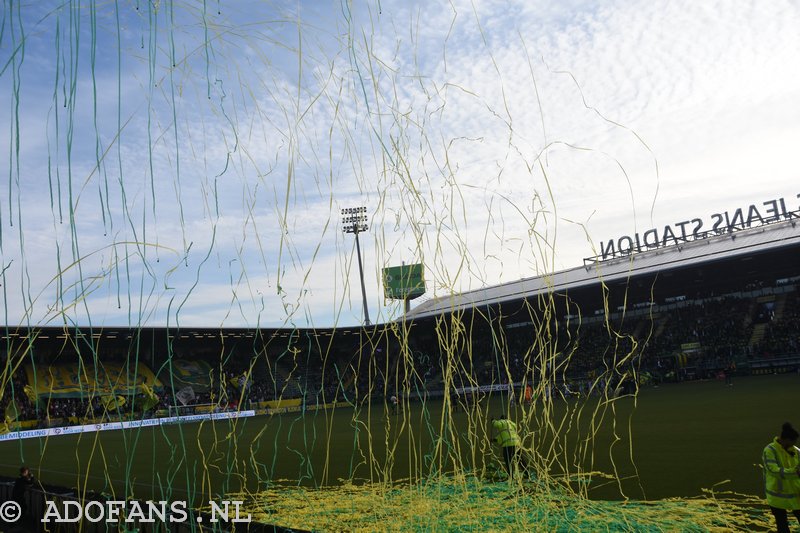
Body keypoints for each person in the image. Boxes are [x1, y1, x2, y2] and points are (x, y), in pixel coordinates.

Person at [762, 422, 800, 533]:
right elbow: (773, 471)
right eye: (792, 442)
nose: (793, 445)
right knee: (782, 524)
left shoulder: (796, 450)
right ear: (785, 439)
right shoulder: (769, 450)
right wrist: (795, 472)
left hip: (795, 492)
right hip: (777, 495)